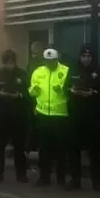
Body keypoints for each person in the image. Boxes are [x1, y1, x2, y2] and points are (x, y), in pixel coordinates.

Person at [66, 44, 100, 191]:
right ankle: (75, 180)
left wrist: (92, 94)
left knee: (94, 151)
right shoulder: (73, 70)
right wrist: (72, 91)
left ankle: (97, 182)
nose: (86, 59)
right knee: (74, 150)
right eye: (83, 56)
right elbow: (65, 88)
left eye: (89, 56)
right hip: (75, 116)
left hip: (92, 116)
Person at [28, 48, 70, 187]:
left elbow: (71, 90)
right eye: (47, 61)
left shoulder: (65, 71)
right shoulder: (38, 72)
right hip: (43, 114)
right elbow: (31, 90)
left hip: (60, 115)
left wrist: (63, 91)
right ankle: (44, 177)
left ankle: (61, 178)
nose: (50, 64)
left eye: (52, 61)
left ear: (57, 60)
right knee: (44, 148)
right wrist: (33, 91)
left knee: (61, 149)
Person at [0, 49, 29, 183]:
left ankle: (21, 175)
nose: (9, 64)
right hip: (1, 116)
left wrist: (19, 96)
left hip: (18, 116)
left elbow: (29, 93)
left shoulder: (23, 74)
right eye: (7, 62)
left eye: (11, 62)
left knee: (19, 148)